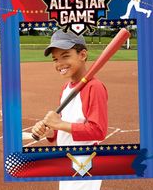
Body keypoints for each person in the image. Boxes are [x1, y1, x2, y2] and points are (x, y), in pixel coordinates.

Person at [32, 29, 108, 190]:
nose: (59, 64)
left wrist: (58, 124)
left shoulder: (94, 87)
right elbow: (62, 130)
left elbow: (98, 130)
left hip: (85, 162)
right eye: (55, 59)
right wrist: (50, 132)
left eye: (65, 56)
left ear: (82, 55)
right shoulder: (66, 89)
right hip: (68, 159)